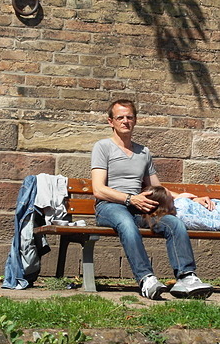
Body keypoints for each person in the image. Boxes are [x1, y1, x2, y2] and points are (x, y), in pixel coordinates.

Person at [91, 99, 213, 300]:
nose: (125, 121)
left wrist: (185, 197)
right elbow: (99, 189)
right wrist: (130, 199)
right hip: (110, 207)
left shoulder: (143, 152)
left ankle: (186, 278)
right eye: (120, 117)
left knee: (174, 223)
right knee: (127, 224)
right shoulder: (103, 147)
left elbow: (156, 187)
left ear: (135, 121)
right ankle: (146, 279)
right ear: (110, 121)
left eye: (129, 117)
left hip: (139, 208)